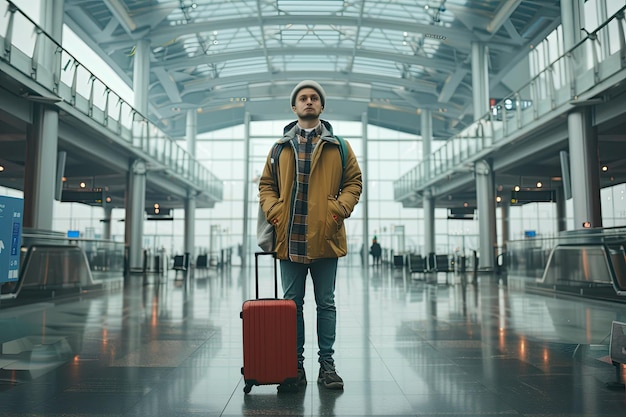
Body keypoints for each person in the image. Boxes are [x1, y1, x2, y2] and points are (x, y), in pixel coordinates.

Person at [258, 80, 362, 390]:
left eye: (314, 98)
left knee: (325, 304)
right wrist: (276, 213)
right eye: (303, 98)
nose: (308, 102)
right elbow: (267, 186)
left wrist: (337, 210)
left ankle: (326, 365)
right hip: (289, 238)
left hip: (324, 237)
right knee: (292, 305)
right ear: (294, 107)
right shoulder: (279, 148)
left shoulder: (339, 146)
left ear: (321, 106)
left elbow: (353, 182)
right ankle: (294, 365)